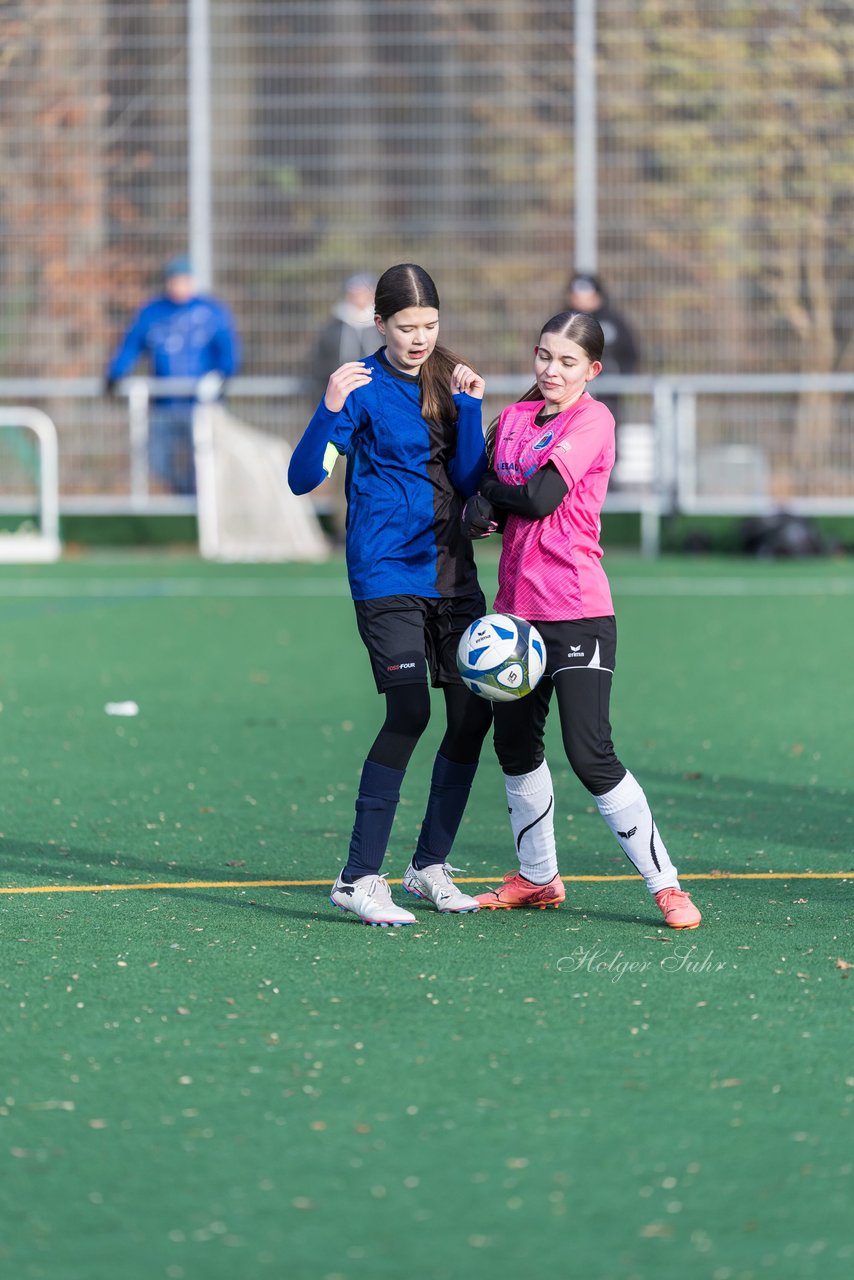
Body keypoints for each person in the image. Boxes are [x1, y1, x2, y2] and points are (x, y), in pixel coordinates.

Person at [463, 309, 702, 930]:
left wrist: (492, 498)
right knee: (515, 748)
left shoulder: (594, 418)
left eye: (568, 362)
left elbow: (540, 498)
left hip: (577, 610)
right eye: (545, 356)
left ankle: (666, 887)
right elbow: (483, 491)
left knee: (590, 753)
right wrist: (478, 510)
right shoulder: (511, 420)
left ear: (591, 370)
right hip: (515, 615)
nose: (552, 370)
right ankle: (538, 877)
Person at [288, 263, 493, 927]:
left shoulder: (451, 378)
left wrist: (470, 409)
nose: (419, 338)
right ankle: (357, 877)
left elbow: (466, 476)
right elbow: (302, 478)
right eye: (406, 327)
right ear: (379, 324)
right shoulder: (363, 388)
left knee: (471, 715)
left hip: (453, 574)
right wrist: (328, 408)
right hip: (386, 575)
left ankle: (429, 865)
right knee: (408, 713)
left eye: (429, 325)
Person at [105, 255, 241, 494]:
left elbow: (228, 351)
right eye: (175, 281)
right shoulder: (153, 313)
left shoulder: (210, 312)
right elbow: (132, 345)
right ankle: (186, 496)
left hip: (201, 405)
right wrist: (115, 373)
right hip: (164, 405)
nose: (180, 286)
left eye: (185, 280)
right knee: (157, 459)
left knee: (204, 459)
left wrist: (221, 376)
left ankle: (202, 503)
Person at [306, 273, 378, 539]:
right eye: (354, 291)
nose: (359, 297)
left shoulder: (383, 326)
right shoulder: (332, 328)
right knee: (340, 470)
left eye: (364, 291)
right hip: (342, 412)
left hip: (377, 412)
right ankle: (343, 526)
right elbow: (317, 368)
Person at [565, 272, 639, 438]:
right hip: (570, 395)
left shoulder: (613, 322)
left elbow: (630, 353)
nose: (582, 300)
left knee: (606, 435)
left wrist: (620, 379)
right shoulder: (561, 324)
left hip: (608, 395)